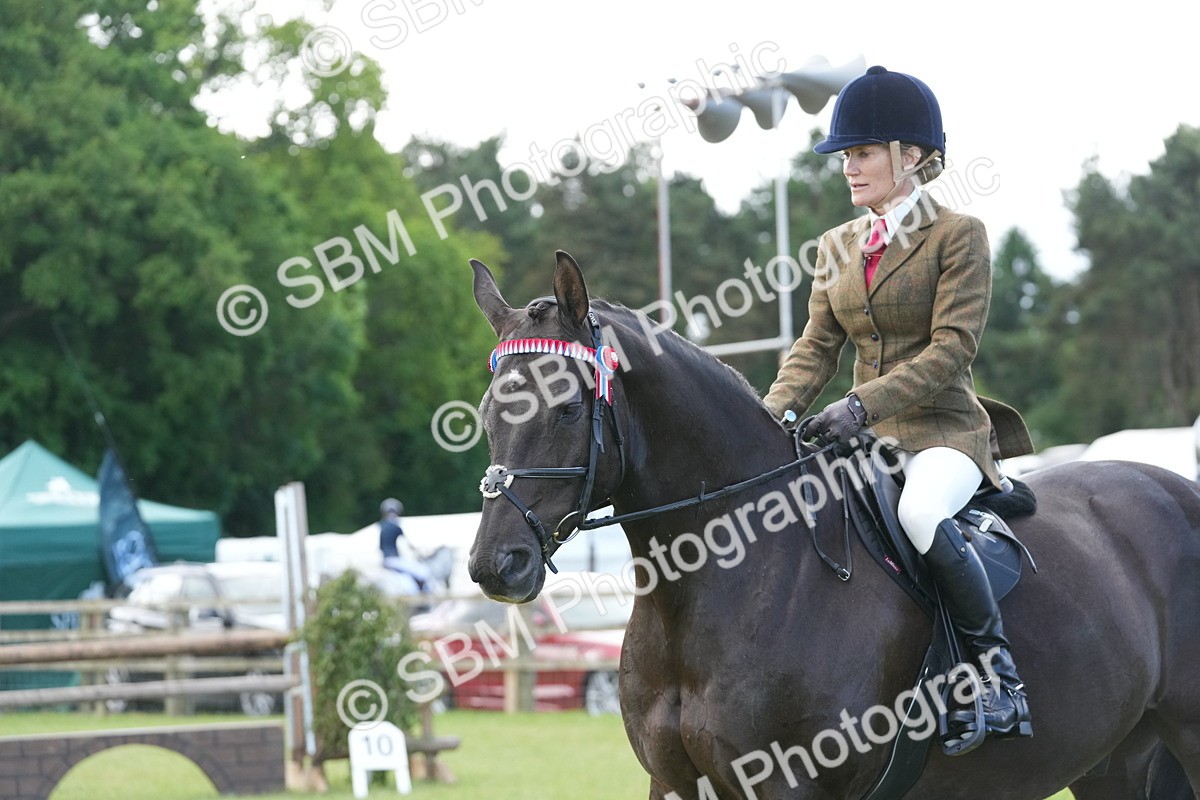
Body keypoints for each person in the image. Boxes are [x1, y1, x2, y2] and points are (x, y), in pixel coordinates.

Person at [763, 65, 1035, 750]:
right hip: (869, 442)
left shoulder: (958, 235)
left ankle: (999, 680)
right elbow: (813, 350)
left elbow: (950, 351)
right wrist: (768, 421)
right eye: (845, 156)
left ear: (910, 157)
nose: (848, 168)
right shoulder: (836, 247)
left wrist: (857, 408)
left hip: (944, 434)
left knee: (919, 512)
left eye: (862, 153)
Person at [378, 497, 434, 594]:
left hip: (385, 559)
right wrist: (419, 552)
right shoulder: (396, 526)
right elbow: (407, 545)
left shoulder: (381, 526)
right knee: (423, 572)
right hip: (394, 559)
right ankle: (422, 595)